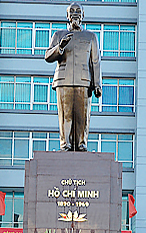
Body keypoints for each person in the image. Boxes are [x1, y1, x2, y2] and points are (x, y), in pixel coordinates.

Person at [44, 2, 101, 151]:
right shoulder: (58, 35)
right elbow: (48, 56)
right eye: (72, 11)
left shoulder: (90, 36)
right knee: (65, 115)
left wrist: (97, 84)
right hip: (64, 80)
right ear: (67, 16)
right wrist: (60, 47)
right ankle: (65, 144)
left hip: (84, 81)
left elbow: (95, 61)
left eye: (78, 11)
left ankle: (82, 144)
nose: (75, 14)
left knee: (82, 116)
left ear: (83, 16)